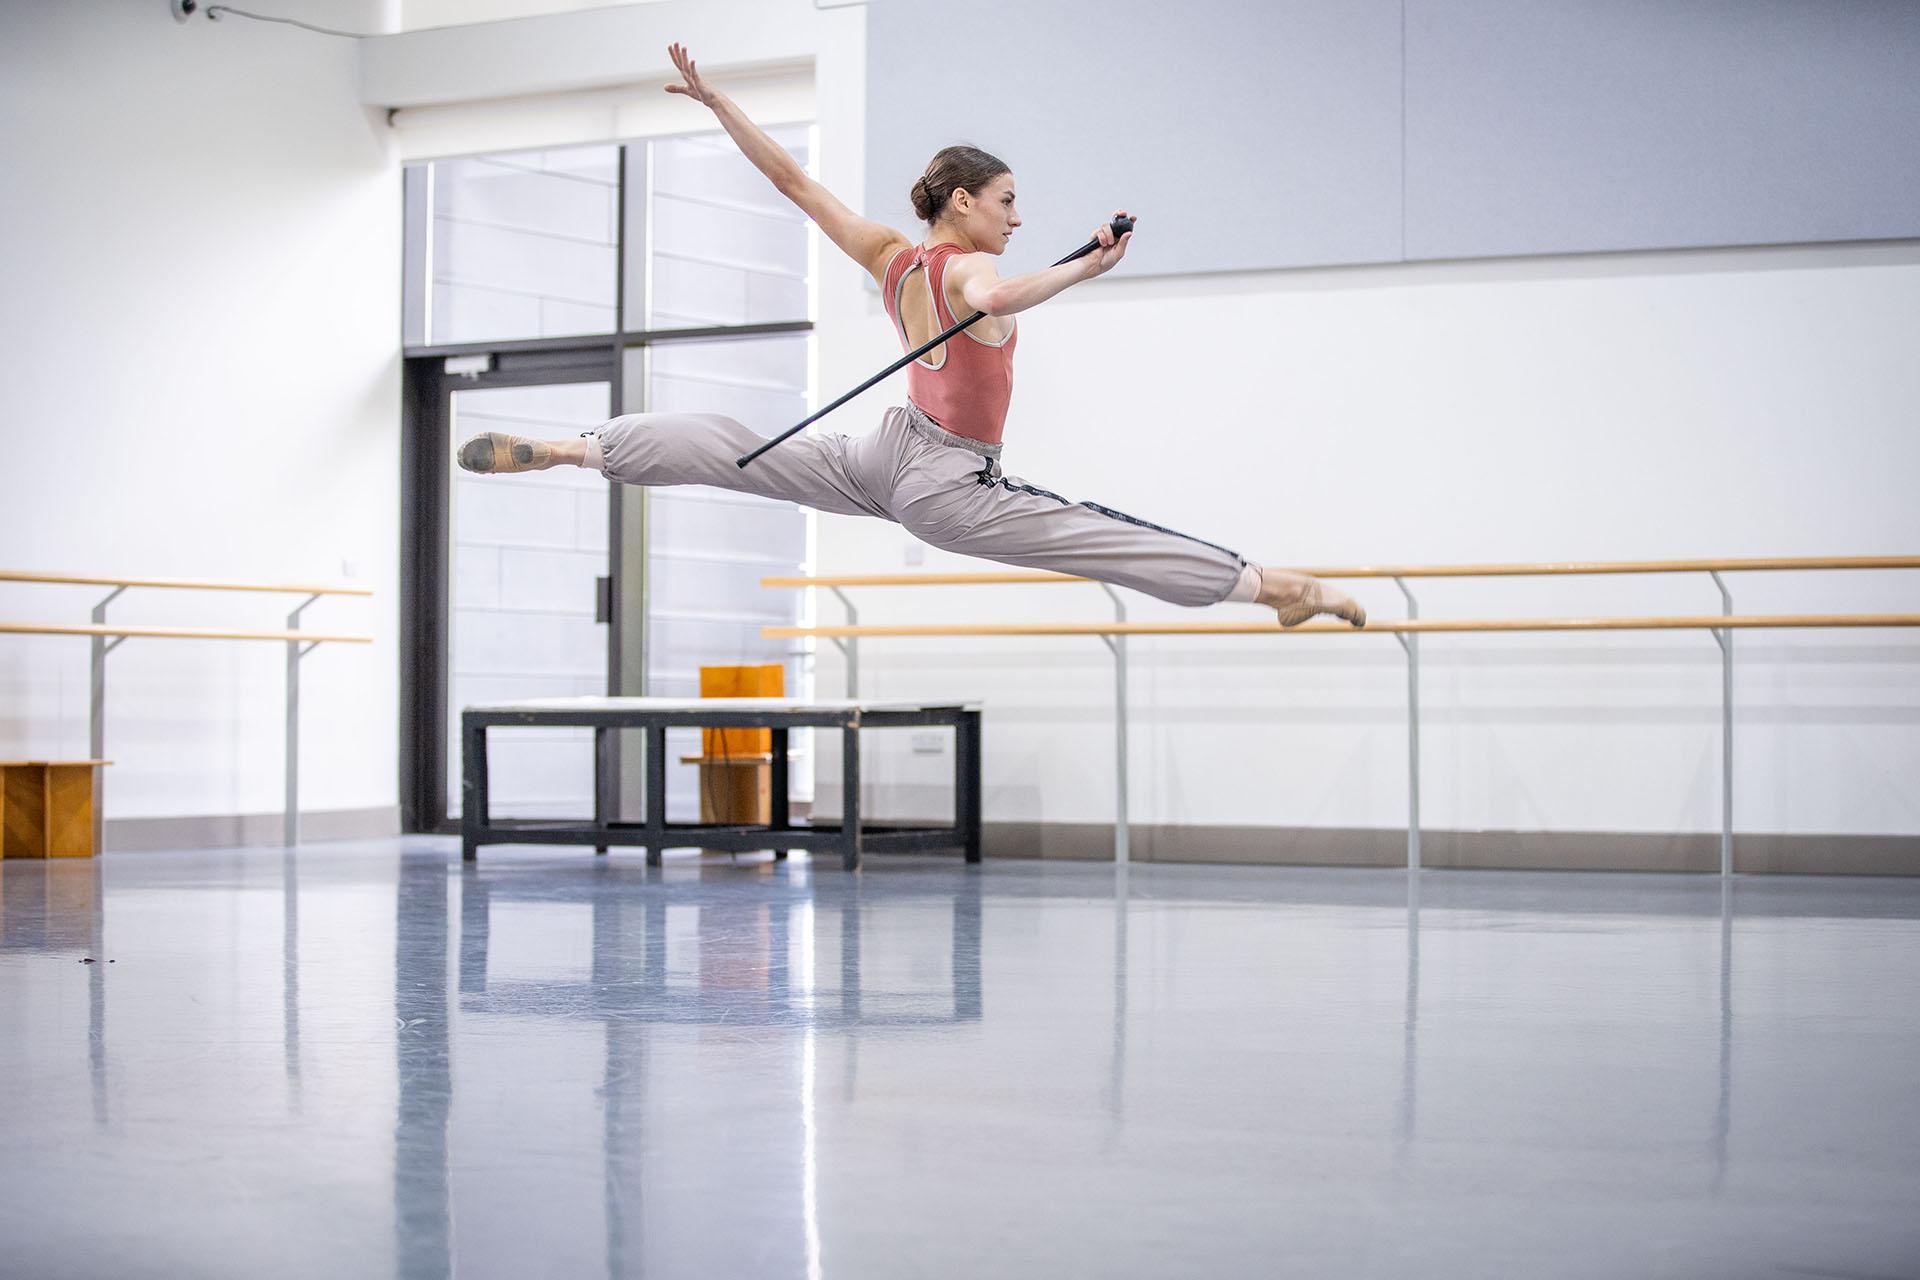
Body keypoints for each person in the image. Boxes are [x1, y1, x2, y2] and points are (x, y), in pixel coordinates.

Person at [458, 42, 1366, 628]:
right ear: (965, 203)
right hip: (946, 483)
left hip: (882, 456)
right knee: (1097, 535)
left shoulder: (891, 256)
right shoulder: (970, 270)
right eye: (1007, 202)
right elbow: (1000, 294)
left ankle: (579, 448)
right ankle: (1278, 588)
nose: (1017, 216)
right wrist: (1086, 265)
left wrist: (718, 104)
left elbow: (797, 188)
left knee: (738, 450)